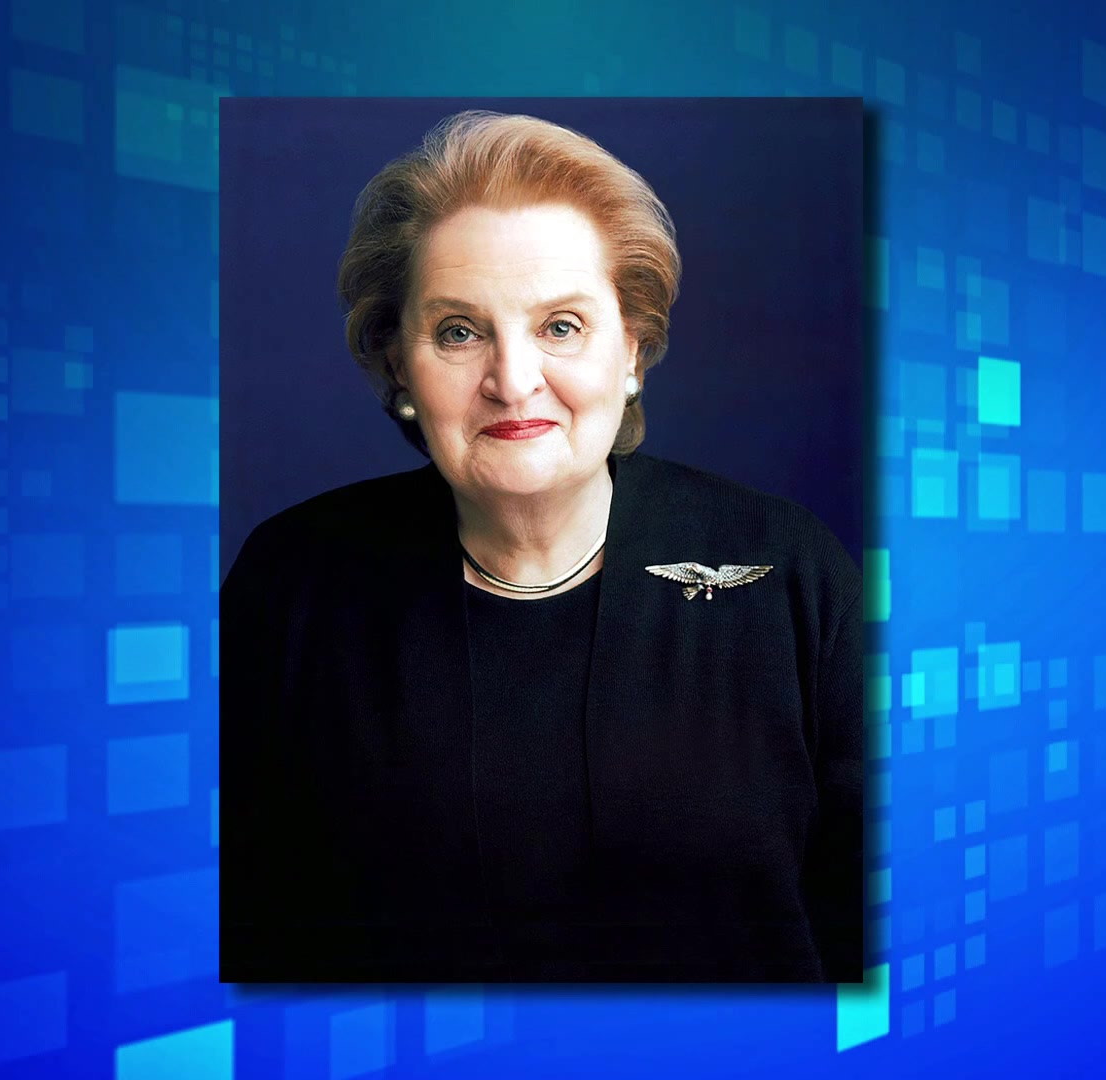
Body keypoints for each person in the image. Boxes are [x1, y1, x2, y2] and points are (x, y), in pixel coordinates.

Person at [220, 109, 869, 983]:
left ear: (631, 350)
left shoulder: (791, 570)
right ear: (400, 364)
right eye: (459, 331)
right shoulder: (291, 585)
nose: (513, 381)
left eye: (561, 326)